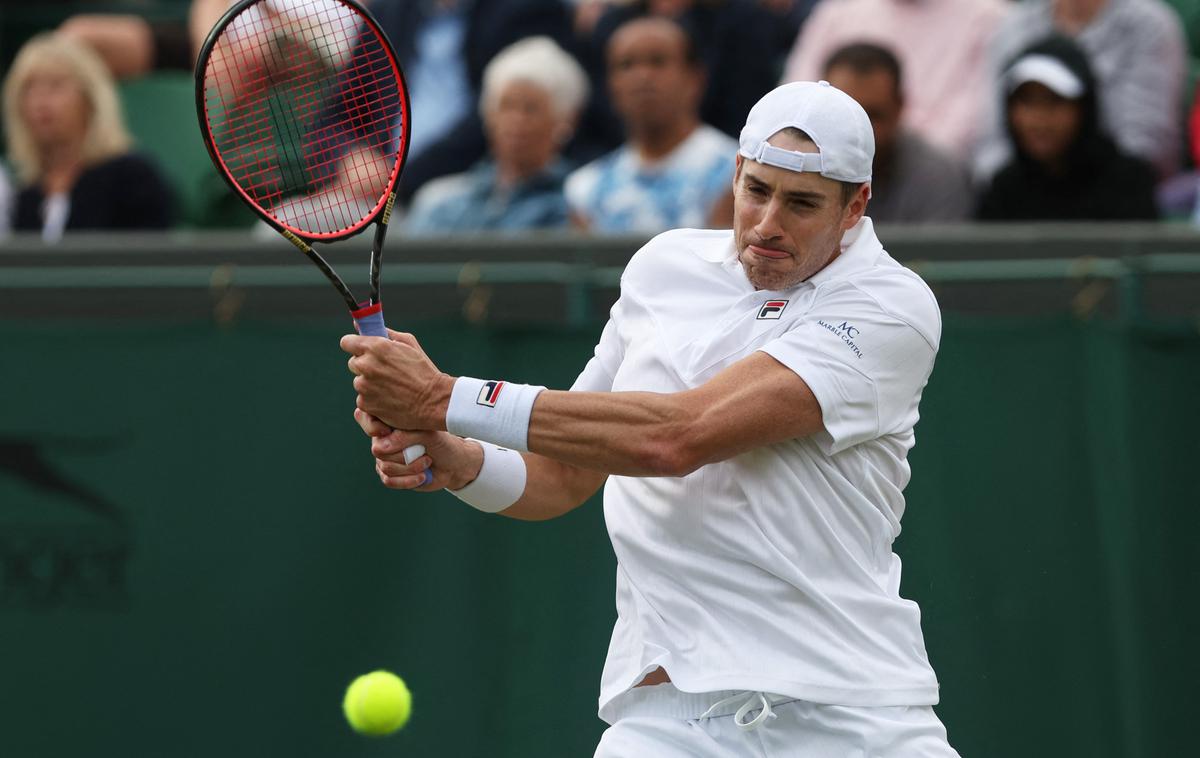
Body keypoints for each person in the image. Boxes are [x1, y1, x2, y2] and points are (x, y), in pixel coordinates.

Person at [342, 80, 960, 757]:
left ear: (855, 207)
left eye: (803, 203)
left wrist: (444, 400)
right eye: (757, 191)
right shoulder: (663, 269)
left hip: (851, 716)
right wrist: (459, 462)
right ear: (735, 174)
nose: (767, 224)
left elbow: (677, 437)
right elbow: (562, 475)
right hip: (669, 722)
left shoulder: (893, 308)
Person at [976, 0, 1186, 181]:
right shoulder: (1013, 27)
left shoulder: (1149, 25)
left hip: (1113, 200)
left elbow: (1146, 149)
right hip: (1023, 195)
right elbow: (992, 146)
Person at [565, 16, 736, 233]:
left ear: (695, 79)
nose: (642, 76)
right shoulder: (584, 190)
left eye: (658, 61)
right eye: (626, 65)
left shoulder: (736, 174)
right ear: (611, 85)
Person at [404, 37, 589, 234]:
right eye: (507, 106)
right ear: (489, 116)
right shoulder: (439, 202)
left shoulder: (576, 202)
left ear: (564, 120)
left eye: (531, 109)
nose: (517, 120)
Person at [781, 0, 1009, 159]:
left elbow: (972, 121)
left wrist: (891, 152)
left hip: (925, 176)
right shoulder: (834, 14)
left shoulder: (988, 17)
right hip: (824, 164)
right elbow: (794, 100)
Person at [2, 34, 175, 241]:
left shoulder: (133, 178)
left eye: (55, 86)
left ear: (90, 99)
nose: (40, 101)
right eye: (29, 89)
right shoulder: (22, 190)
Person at [976, 35, 1159, 221]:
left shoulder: (1128, 183)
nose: (1039, 118)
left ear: (1085, 107)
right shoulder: (1003, 189)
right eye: (1027, 101)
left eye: (1054, 101)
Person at [823, 42, 973, 224]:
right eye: (845, 113)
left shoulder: (937, 174)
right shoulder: (793, 167)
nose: (858, 128)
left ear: (899, 107)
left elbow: (939, 251)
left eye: (873, 115)